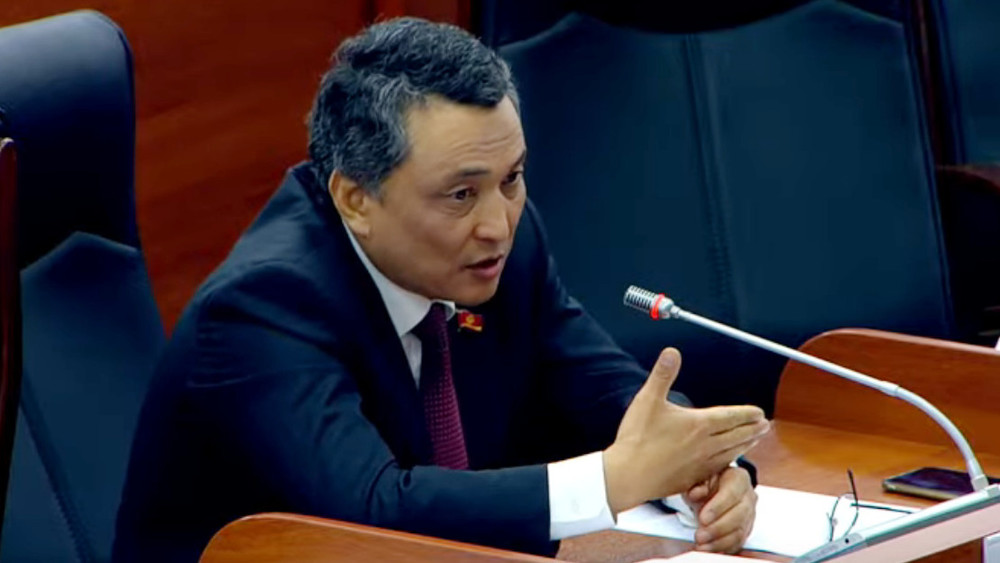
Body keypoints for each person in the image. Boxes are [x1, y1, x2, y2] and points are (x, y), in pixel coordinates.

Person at [112, 17, 769, 563]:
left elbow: (603, 392)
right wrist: (612, 480)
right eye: (460, 194)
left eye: (511, 179)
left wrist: (702, 467)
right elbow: (371, 513)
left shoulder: (504, 246)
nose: (497, 223)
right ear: (356, 198)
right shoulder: (263, 307)